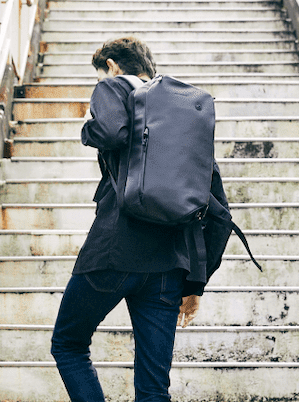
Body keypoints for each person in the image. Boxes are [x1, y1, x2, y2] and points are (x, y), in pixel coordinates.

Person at [50, 37, 202, 402]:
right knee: (153, 387)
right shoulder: (184, 110)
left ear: (114, 66)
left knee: (68, 344)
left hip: (113, 249)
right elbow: (211, 196)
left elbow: (110, 131)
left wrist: (87, 127)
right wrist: (195, 279)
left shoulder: (112, 86)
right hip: (168, 263)